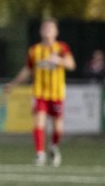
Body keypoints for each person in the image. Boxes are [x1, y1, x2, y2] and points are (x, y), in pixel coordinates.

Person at [6, 18, 75, 166]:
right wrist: (13, 84)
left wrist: (59, 60)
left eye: (51, 28)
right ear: (40, 31)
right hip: (39, 93)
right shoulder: (34, 50)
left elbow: (71, 64)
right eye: (45, 28)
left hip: (57, 93)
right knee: (39, 123)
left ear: (56, 31)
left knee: (58, 128)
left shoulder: (62, 48)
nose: (47, 30)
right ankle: (40, 154)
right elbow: (27, 70)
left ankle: (53, 147)